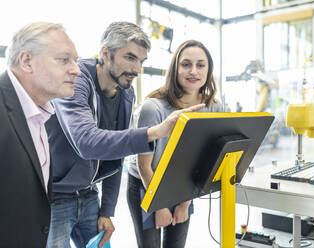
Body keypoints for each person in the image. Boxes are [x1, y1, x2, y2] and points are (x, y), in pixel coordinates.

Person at [45, 22, 204, 248]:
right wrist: (153, 132)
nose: (137, 69)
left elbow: (115, 157)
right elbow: (86, 142)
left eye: (141, 61)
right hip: (55, 196)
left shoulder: (125, 93)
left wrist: (107, 210)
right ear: (105, 53)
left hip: (89, 194)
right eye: (130, 58)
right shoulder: (76, 81)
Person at [127, 40, 224, 248]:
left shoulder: (213, 107)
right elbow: (144, 166)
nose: (193, 71)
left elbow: (204, 161)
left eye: (201, 65)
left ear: (208, 70)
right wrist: (159, 206)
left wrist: (185, 202)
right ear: (175, 69)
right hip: (148, 183)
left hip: (183, 185)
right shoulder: (153, 108)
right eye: (186, 64)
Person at [0, 22, 80, 247]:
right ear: (27, 61)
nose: (77, 69)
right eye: (64, 60)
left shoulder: (39, 113)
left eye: (75, 60)